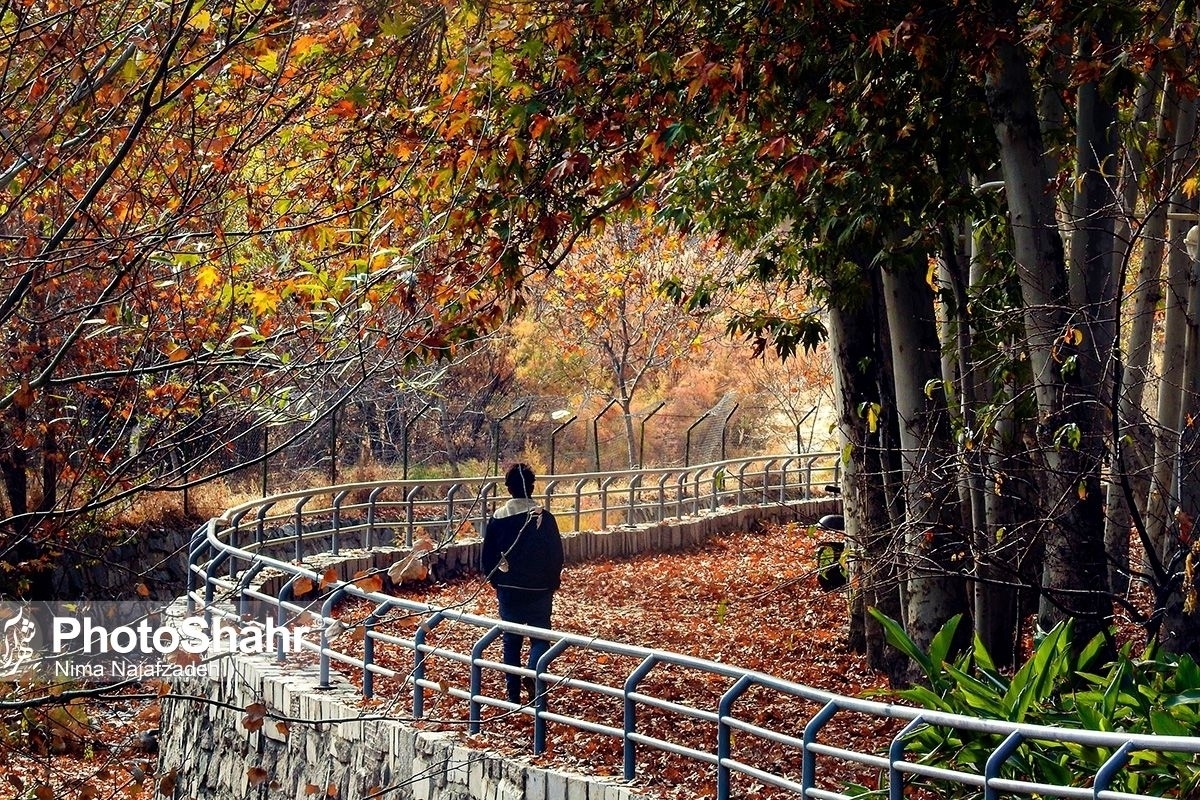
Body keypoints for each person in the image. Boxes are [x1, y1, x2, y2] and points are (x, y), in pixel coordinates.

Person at [481, 462, 565, 704]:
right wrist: (552, 582)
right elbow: (556, 554)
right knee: (540, 638)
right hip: (540, 589)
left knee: (511, 640)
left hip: (509, 589)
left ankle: (513, 696)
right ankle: (534, 675)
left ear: (508, 489)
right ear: (532, 486)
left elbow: (488, 556)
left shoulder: (498, 518)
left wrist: (496, 581)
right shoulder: (544, 517)